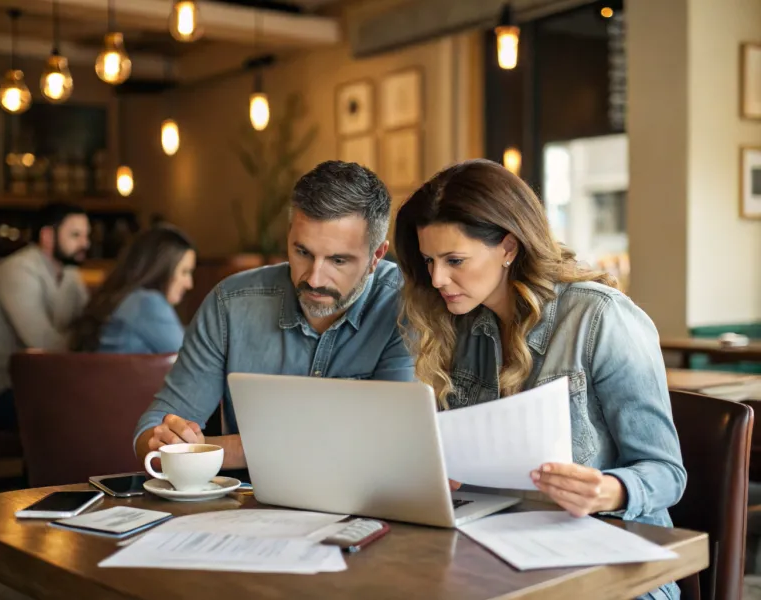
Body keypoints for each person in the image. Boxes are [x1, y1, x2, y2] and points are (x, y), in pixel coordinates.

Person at [394, 159, 685, 599]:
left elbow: (668, 474)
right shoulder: (462, 324)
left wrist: (609, 490)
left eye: (455, 260)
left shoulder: (601, 317)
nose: (436, 278)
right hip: (503, 554)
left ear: (508, 246)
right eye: (429, 260)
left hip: (614, 564)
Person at [133, 160, 415, 467]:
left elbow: (392, 443)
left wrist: (219, 450)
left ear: (376, 256)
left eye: (338, 261)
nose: (314, 278)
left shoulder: (407, 307)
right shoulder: (230, 304)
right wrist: (162, 442)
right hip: (248, 508)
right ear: (289, 236)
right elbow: (153, 433)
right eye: (302, 252)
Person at [0, 202, 91, 431]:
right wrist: (90, 343)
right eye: (75, 235)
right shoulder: (18, 271)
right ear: (48, 236)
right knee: (82, 411)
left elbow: (89, 322)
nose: (85, 244)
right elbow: (44, 344)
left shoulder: (69, 272)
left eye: (86, 235)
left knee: (92, 402)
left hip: (30, 384)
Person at [68, 225, 196, 354]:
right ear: (159, 269)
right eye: (184, 272)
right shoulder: (147, 303)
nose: (189, 284)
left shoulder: (130, 299)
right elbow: (195, 363)